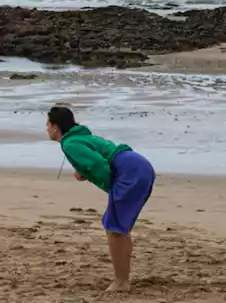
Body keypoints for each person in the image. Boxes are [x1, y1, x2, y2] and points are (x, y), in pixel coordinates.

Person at [48, 105, 155, 292]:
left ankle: (121, 282)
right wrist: (84, 172)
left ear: (55, 127)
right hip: (138, 165)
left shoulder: (69, 143)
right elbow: (99, 157)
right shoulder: (80, 137)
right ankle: (123, 278)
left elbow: (99, 165)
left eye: (47, 124)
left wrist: (111, 186)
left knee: (113, 228)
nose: (47, 128)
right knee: (120, 228)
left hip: (130, 171)